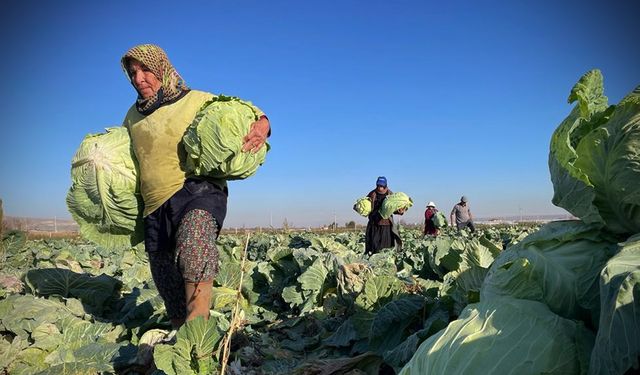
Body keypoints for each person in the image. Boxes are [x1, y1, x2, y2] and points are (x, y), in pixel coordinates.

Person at [120, 44, 270, 331]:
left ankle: (199, 333)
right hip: (154, 203)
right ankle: (181, 334)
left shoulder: (196, 100)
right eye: (133, 73)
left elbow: (248, 113)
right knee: (164, 275)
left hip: (197, 190)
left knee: (195, 246)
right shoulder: (131, 117)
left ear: (162, 69)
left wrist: (263, 124)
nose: (139, 79)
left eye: (146, 70)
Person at [364, 176, 401, 254]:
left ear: (385, 185)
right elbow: (365, 205)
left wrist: (400, 211)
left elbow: (394, 209)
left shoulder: (390, 194)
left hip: (386, 224)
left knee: (385, 247)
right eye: (378, 185)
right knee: (374, 246)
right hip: (374, 224)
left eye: (382, 186)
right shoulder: (372, 193)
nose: (380, 187)